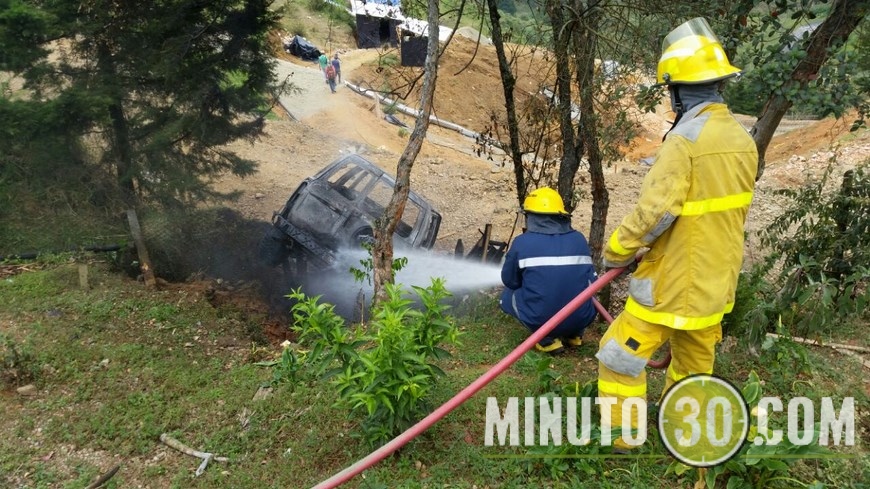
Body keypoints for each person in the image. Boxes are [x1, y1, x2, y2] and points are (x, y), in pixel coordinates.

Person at [595, 17, 758, 451]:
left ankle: (623, 439)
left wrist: (616, 250)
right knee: (692, 370)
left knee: (617, 357)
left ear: (676, 89)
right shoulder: (743, 140)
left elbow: (657, 212)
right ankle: (683, 436)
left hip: (671, 289)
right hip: (715, 288)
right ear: (718, 84)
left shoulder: (685, 139)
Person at [500, 187, 598, 354]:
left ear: (530, 216)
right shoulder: (579, 239)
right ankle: (575, 334)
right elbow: (593, 281)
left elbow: (510, 281)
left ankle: (546, 339)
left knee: (508, 296)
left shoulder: (522, 243)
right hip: (581, 317)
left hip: (543, 319)